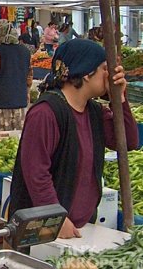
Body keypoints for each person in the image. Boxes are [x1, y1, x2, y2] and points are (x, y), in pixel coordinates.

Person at [9, 39, 138, 238]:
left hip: (81, 225)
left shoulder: (94, 111)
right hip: (45, 229)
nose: (110, 75)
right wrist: (55, 218)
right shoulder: (46, 113)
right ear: (86, 74)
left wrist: (119, 98)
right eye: (104, 68)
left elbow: (128, 142)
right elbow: (36, 172)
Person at [0, 20, 32, 131]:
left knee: (0, 139)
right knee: (17, 139)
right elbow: (29, 76)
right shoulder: (25, 51)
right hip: (20, 101)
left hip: (2, 101)